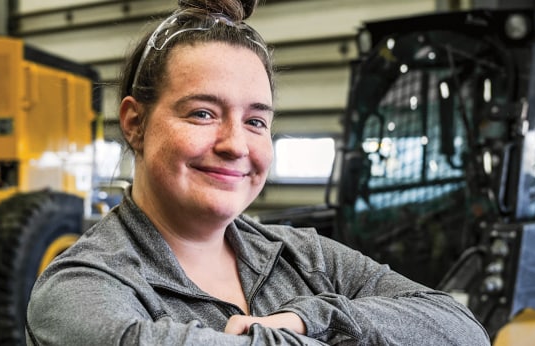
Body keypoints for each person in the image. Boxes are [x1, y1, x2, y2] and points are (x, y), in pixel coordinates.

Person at [25, 0, 491, 344]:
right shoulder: (80, 290)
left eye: (255, 122)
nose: (235, 145)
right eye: (203, 113)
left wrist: (312, 317)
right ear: (135, 123)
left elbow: (463, 330)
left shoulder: (305, 258)